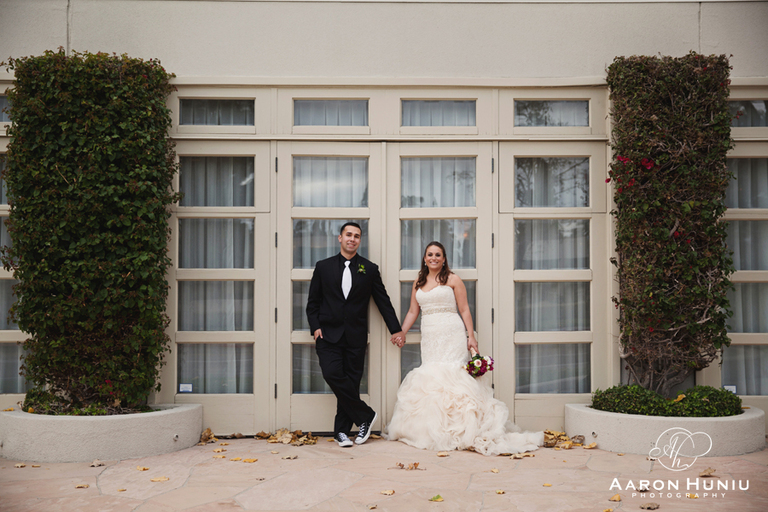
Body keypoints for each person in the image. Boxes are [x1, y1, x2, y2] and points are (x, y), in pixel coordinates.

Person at [384, 241, 544, 455]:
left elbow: (465, 309)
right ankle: (434, 430)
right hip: (430, 336)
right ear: (424, 258)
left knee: (454, 377)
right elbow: (413, 311)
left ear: (444, 258)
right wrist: (402, 331)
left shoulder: (453, 280)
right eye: (430, 254)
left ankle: (463, 429)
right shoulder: (418, 282)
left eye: (438, 255)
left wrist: (471, 337)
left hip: (452, 333)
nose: (433, 258)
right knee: (432, 377)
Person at [306, 222, 404, 448]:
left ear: (360, 240)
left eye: (357, 236)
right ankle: (366, 415)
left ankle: (341, 432)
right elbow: (313, 302)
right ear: (339, 238)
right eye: (348, 235)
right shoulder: (323, 267)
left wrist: (396, 329)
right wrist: (315, 326)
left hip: (355, 337)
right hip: (327, 335)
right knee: (332, 374)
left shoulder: (369, 269)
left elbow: (382, 301)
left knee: (350, 384)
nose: (352, 239)